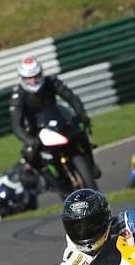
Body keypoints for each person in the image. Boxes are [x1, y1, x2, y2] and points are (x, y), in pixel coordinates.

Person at [9, 55, 97, 187]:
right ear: (22, 79)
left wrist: (81, 114)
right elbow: (16, 125)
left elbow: (72, 98)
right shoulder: (18, 96)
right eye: (29, 78)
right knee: (30, 154)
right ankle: (49, 180)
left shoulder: (51, 82)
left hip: (60, 123)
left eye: (36, 76)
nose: (33, 81)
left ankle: (91, 163)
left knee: (81, 130)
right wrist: (29, 140)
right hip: (37, 132)